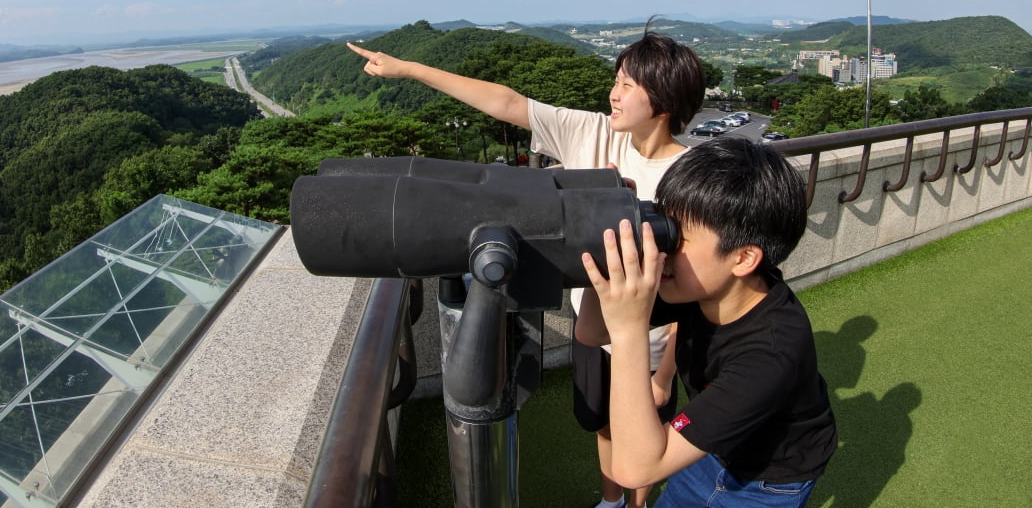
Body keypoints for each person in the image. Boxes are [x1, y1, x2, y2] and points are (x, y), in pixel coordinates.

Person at [347, 25, 706, 508]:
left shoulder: (690, 179)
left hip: (651, 341)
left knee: (643, 432)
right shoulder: (593, 132)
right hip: (591, 324)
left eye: (626, 85)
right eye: (616, 80)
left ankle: (636, 505)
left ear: (661, 100)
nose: (612, 94)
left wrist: (663, 377)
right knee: (600, 419)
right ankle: (612, 500)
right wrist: (406, 68)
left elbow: (694, 284)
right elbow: (507, 102)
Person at [577, 138, 838, 508]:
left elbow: (635, 469)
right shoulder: (704, 284)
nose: (662, 248)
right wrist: (606, 228)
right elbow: (591, 331)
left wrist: (629, 329)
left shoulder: (771, 352)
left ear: (743, 258)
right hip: (707, 449)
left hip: (769, 480)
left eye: (677, 237)